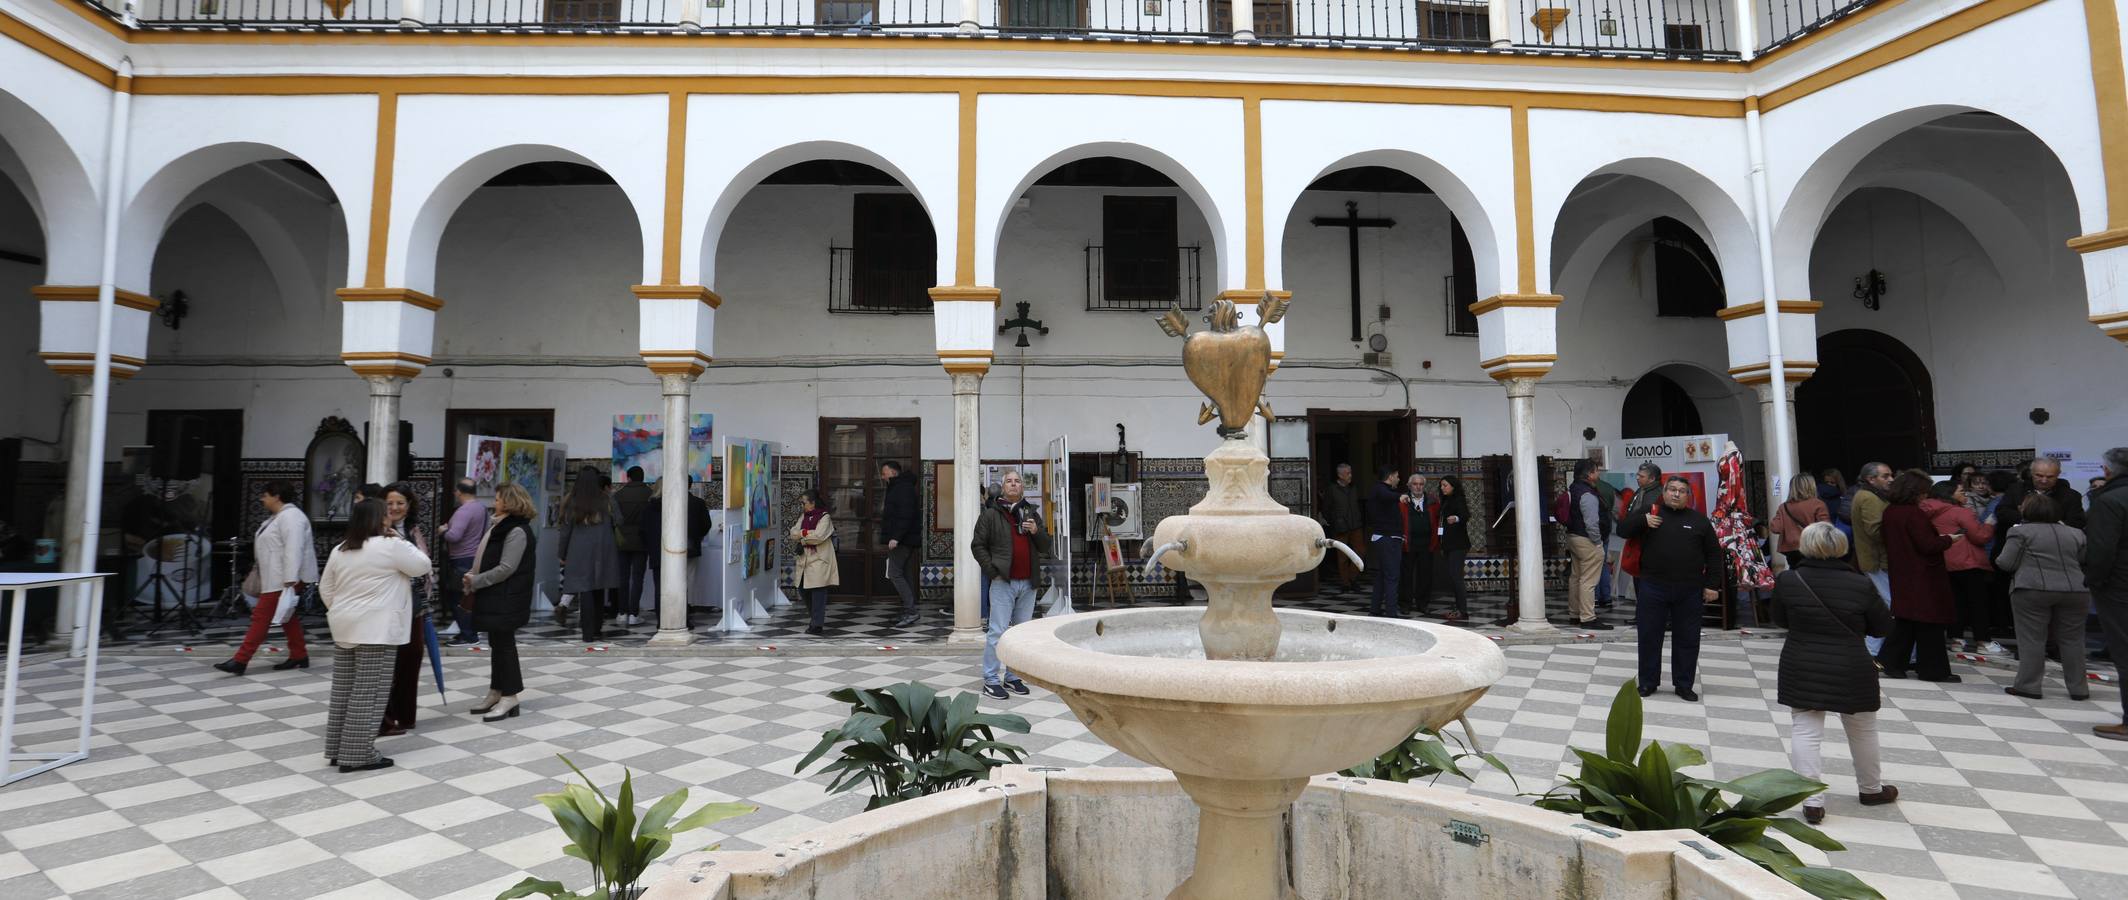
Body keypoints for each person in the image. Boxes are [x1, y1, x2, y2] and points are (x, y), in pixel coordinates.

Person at [1769, 522, 1897, 825]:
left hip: (1802, 661)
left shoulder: (1789, 580)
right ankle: (1871, 789)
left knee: (1805, 729)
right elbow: (1882, 627)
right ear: (1841, 547)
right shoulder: (1861, 583)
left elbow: (1779, 619)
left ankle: (1811, 801)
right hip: (1851, 664)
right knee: (1863, 729)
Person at [318, 498, 428, 773]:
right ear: (379, 520)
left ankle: (337, 749)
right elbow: (422, 565)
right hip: (376, 629)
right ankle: (357, 754)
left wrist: (343, 610)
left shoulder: (341, 549)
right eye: (385, 514)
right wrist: (398, 537)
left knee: (344, 689)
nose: (390, 517)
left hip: (344, 625)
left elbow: (325, 588)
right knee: (369, 691)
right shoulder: (390, 546)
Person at [1615, 475, 1722, 701]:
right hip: (1653, 587)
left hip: (1689, 589)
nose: (1676, 494)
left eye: (1681, 491)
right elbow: (1623, 529)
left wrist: (1712, 585)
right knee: (1649, 636)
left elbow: (1714, 554)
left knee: (1688, 638)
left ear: (1688, 496)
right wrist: (1643, 521)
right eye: (1671, 489)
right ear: (1664, 493)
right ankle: (1648, 682)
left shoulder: (1699, 520)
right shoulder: (1651, 512)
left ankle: (1684, 685)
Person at [217, 480, 317, 676]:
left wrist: (290, 578)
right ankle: (299, 655)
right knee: (288, 616)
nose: (262, 499)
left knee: (261, 617)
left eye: (265, 495)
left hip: (284, 578)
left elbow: (293, 548)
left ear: (276, 496)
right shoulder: (279, 517)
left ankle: (240, 660)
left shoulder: (291, 517)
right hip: (277, 576)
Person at [1997, 493, 2090, 700]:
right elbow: (2084, 559)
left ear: (2026, 510)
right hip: (2076, 589)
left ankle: (2028, 686)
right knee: (2073, 640)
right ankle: (2079, 689)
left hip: (2032, 588)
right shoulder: (2076, 533)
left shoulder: (2020, 532)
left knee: (2032, 639)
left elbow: (2006, 563)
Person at [463, 483, 538, 722]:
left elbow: (507, 568)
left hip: (507, 596)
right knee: (497, 643)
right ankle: (497, 691)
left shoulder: (516, 530)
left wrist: (477, 581)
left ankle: (510, 695)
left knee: (505, 646)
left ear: (509, 502)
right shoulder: (501, 526)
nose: (494, 503)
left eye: (497, 499)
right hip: (497, 596)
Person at [1877, 470, 1960, 682]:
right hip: (1923, 575)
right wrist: (1949, 539)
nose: (1925, 496)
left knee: (1907, 622)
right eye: (1923, 492)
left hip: (1902, 571)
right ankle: (1933, 670)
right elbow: (1927, 545)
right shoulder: (1913, 514)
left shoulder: (1891, 511)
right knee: (1929, 623)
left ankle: (1891, 662)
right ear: (1915, 492)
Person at [973, 470, 1049, 699]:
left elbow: (1045, 546)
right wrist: (992, 571)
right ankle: (991, 679)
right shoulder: (990, 515)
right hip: (1003, 582)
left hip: (1028, 582)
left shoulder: (1031, 513)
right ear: (1002, 487)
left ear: (1022, 488)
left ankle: (1013, 676)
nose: (1013, 484)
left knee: (1020, 634)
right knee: (997, 631)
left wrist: (1036, 532)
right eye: (1009, 481)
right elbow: (977, 545)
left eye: (1017, 481)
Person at [378, 483, 437, 736]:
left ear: (409, 505)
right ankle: (384, 718)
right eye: (389, 503)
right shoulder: (376, 532)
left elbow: (425, 566)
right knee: (385, 663)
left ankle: (405, 716)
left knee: (411, 658)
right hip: (387, 607)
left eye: (400, 503)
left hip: (414, 606)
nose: (395, 508)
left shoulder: (413, 531)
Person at [2083, 448, 2128, 741]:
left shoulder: (2109, 500)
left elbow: (2101, 551)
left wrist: (2094, 581)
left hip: (2120, 585)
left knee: (2124, 652)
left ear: (2107, 470)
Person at [1925, 480, 1997, 655]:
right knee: (1978, 603)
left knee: (1955, 602)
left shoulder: (1925, 511)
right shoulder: (1960, 512)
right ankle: (1983, 642)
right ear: (1949, 494)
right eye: (1961, 492)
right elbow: (1980, 537)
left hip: (1943, 562)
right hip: (1967, 562)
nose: (1964, 495)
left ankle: (1956, 639)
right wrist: (1989, 524)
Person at [557, 467, 623, 643]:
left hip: (579, 550)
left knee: (585, 590)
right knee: (599, 588)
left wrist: (562, 553)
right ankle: (596, 628)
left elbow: (565, 531)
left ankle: (587, 633)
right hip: (603, 548)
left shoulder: (571, 500)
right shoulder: (606, 499)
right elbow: (619, 520)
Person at [1850, 462, 1895, 657]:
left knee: (1886, 602)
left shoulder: (1874, 496)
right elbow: (1875, 531)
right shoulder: (1868, 498)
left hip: (1878, 559)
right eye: (1885, 476)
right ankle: (1872, 648)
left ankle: (1876, 647)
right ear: (1871, 479)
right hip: (1877, 560)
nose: (1890, 480)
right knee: (1888, 603)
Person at [1564, 458, 1613, 631]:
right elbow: (1591, 522)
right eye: (1596, 470)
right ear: (1590, 474)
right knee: (1588, 580)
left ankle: (1574, 614)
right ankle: (1588, 618)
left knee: (1576, 577)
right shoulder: (1587, 494)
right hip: (1587, 540)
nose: (1598, 473)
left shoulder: (1573, 488)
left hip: (1573, 537)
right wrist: (1598, 542)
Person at [437, 479, 488, 647]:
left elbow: (455, 536)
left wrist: (443, 531)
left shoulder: (463, 511)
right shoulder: (481, 508)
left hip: (461, 558)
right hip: (475, 556)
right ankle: (471, 631)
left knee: (457, 598)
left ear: (458, 491)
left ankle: (468, 635)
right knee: (469, 597)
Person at [879, 460, 923, 629]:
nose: (882, 477)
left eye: (884, 473)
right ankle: (908, 610)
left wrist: (895, 537)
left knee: (894, 573)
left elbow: (905, 515)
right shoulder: (899, 487)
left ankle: (911, 611)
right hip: (905, 539)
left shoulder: (902, 488)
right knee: (904, 574)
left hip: (903, 540)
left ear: (893, 472)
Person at [791, 489, 840, 635]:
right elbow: (793, 532)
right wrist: (804, 534)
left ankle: (817, 625)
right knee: (802, 589)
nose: (802, 505)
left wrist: (802, 536)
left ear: (812, 503)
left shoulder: (824, 517)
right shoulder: (804, 516)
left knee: (818, 592)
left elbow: (818, 537)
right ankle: (815, 619)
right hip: (805, 560)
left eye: (804, 502)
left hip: (819, 560)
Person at [612, 465, 653, 625]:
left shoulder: (618, 495)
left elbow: (615, 519)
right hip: (642, 541)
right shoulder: (650, 494)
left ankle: (622, 612)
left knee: (622, 577)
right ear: (642, 478)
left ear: (628, 478)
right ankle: (634, 613)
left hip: (621, 540)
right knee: (637, 578)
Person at [1363, 464, 1405, 617]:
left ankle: (1375, 610)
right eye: (1397, 476)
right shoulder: (1380, 489)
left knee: (1381, 576)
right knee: (1392, 577)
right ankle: (1391, 613)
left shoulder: (1381, 490)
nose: (1399, 479)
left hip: (1385, 538)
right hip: (1388, 539)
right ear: (1391, 476)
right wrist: (1400, 497)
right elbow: (1387, 495)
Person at [1769, 474, 1830, 569]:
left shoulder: (1784, 507)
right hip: (1812, 547)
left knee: (1795, 572)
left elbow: (1775, 528)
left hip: (1791, 549)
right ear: (1811, 486)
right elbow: (1826, 528)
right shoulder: (1818, 505)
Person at [1434, 476, 1472, 622]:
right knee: (1453, 577)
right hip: (1449, 545)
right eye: (1441, 485)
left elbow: (1465, 515)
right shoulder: (1446, 500)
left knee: (1456, 577)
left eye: (1445, 485)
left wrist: (1456, 518)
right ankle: (1458, 608)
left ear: (1453, 486)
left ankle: (1463, 611)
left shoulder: (1458, 499)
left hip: (1458, 545)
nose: (1443, 488)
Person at [1320, 463, 1363, 590]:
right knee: (1342, 557)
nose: (1350, 475)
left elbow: (1357, 504)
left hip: (1356, 525)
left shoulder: (1354, 487)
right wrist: (1334, 521)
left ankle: (1352, 578)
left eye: (1350, 472)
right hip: (1340, 527)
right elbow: (1326, 509)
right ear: (1340, 475)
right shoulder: (1332, 489)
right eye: (1347, 473)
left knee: (1360, 552)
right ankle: (1345, 583)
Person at [1400, 472, 1437, 617]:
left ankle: (1423, 604)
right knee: (1406, 576)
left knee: (1425, 575)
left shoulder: (1431, 500)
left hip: (1427, 543)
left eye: (1421, 484)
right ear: (1409, 486)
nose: (1418, 487)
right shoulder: (1403, 500)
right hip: (1409, 543)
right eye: (1415, 484)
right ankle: (1405, 604)